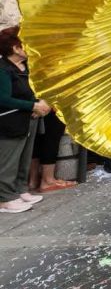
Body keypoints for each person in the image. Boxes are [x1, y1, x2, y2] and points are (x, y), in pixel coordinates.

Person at [0, 26, 50, 213]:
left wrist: (39, 104)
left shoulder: (26, 66)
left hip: (28, 119)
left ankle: (20, 189)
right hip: (10, 122)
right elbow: (3, 99)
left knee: (24, 157)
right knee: (9, 161)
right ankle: (5, 199)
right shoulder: (3, 69)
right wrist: (33, 106)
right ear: (15, 48)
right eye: (26, 43)